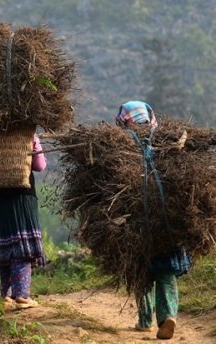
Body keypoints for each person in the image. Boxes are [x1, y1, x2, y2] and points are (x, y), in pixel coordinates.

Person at [115, 101, 191, 340]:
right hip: (166, 220)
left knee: (142, 273)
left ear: (126, 119)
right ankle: (168, 316)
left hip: (137, 219)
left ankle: (145, 319)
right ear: (148, 116)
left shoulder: (122, 143)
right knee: (166, 271)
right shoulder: (164, 138)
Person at [0, 133, 47, 310]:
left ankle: (6, 296)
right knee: (22, 247)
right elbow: (39, 165)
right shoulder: (29, 134)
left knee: (3, 246)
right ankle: (22, 296)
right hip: (21, 196)